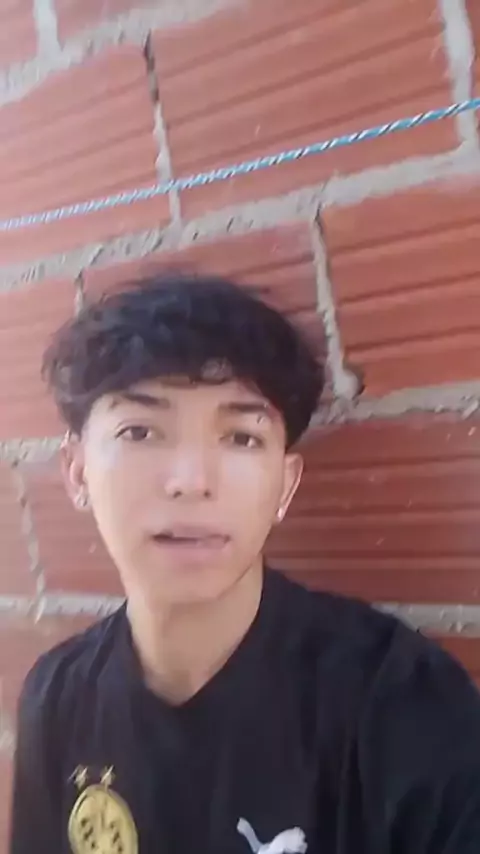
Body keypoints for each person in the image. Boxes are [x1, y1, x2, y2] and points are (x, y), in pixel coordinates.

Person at [10, 273, 480, 854]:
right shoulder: (56, 699)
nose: (191, 482)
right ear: (77, 471)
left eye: (241, 438)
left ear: (285, 485)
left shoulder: (397, 705)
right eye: (140, 431)